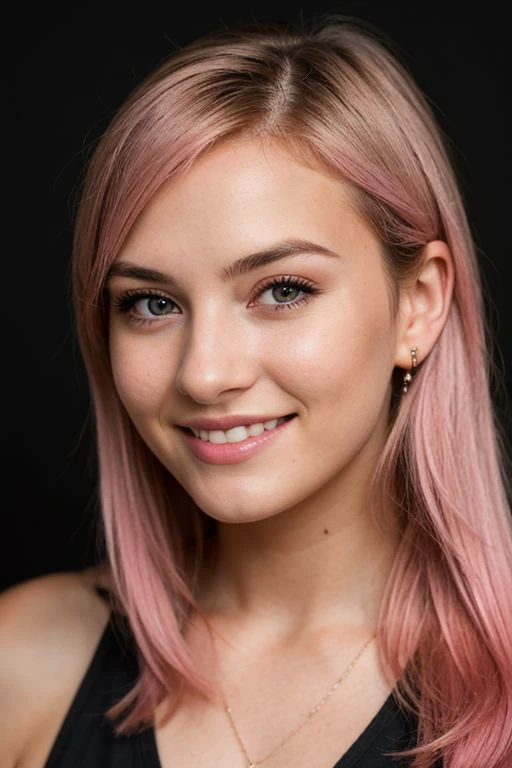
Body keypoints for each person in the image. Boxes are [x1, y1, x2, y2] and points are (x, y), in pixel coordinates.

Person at [1, 13, 511, 768]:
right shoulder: (24, 660)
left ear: (420, 304)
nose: (205, 374)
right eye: (152, 303)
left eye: (281, 289)